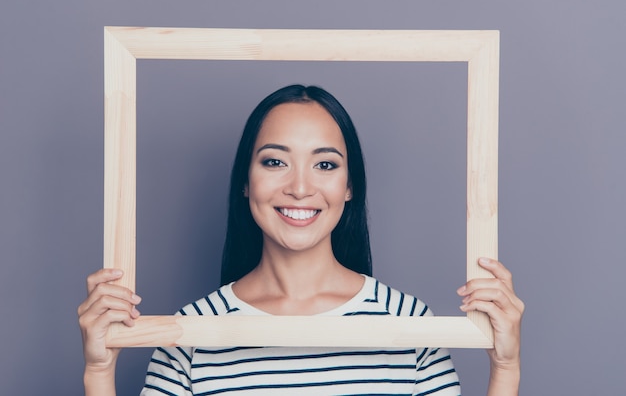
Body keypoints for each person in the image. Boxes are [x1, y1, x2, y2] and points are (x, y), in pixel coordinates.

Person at [78, 85, 524, 395]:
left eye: (325, 165)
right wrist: (98, 372)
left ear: (350, 187)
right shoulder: (189, 333)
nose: (299, 187)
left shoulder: (411, 324)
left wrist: (506, 368)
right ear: (246, 183)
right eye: (275, 162)